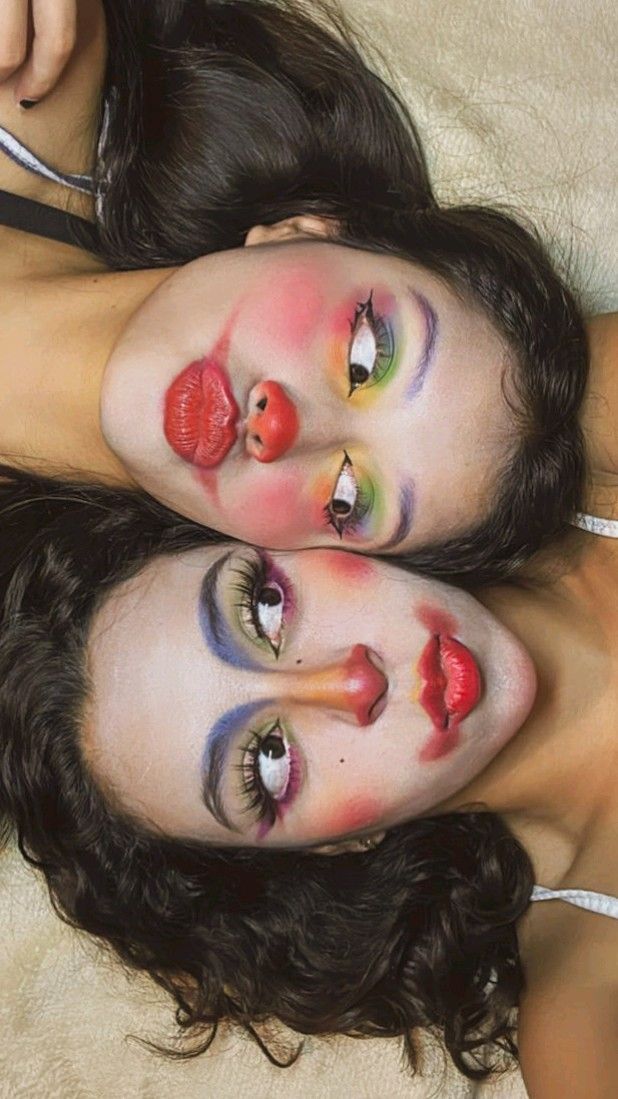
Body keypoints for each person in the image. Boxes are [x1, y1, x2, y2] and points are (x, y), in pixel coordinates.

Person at [0, 410, 616, 1094]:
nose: (353, 684)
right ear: (330, 848)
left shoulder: (590, 423)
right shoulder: (585, 1022)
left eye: (263, 607)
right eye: (270, 764)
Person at [0, 0, 588, 583]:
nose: (281, 428)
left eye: (347, 498)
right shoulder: (33, 60)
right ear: (302, 230)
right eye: (364, 356)